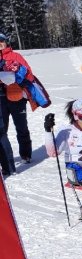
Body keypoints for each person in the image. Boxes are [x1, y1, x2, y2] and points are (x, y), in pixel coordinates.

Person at [0, 32, 34, 164]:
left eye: (1, 41)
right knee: (2, 131)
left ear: (6, 42)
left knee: (22, 127)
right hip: (0, 99)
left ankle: (26, 154)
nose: (0, 44)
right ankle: (4, 159)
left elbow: (29, 75)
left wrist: (16, 77)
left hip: (17, 97)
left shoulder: (16, 56)